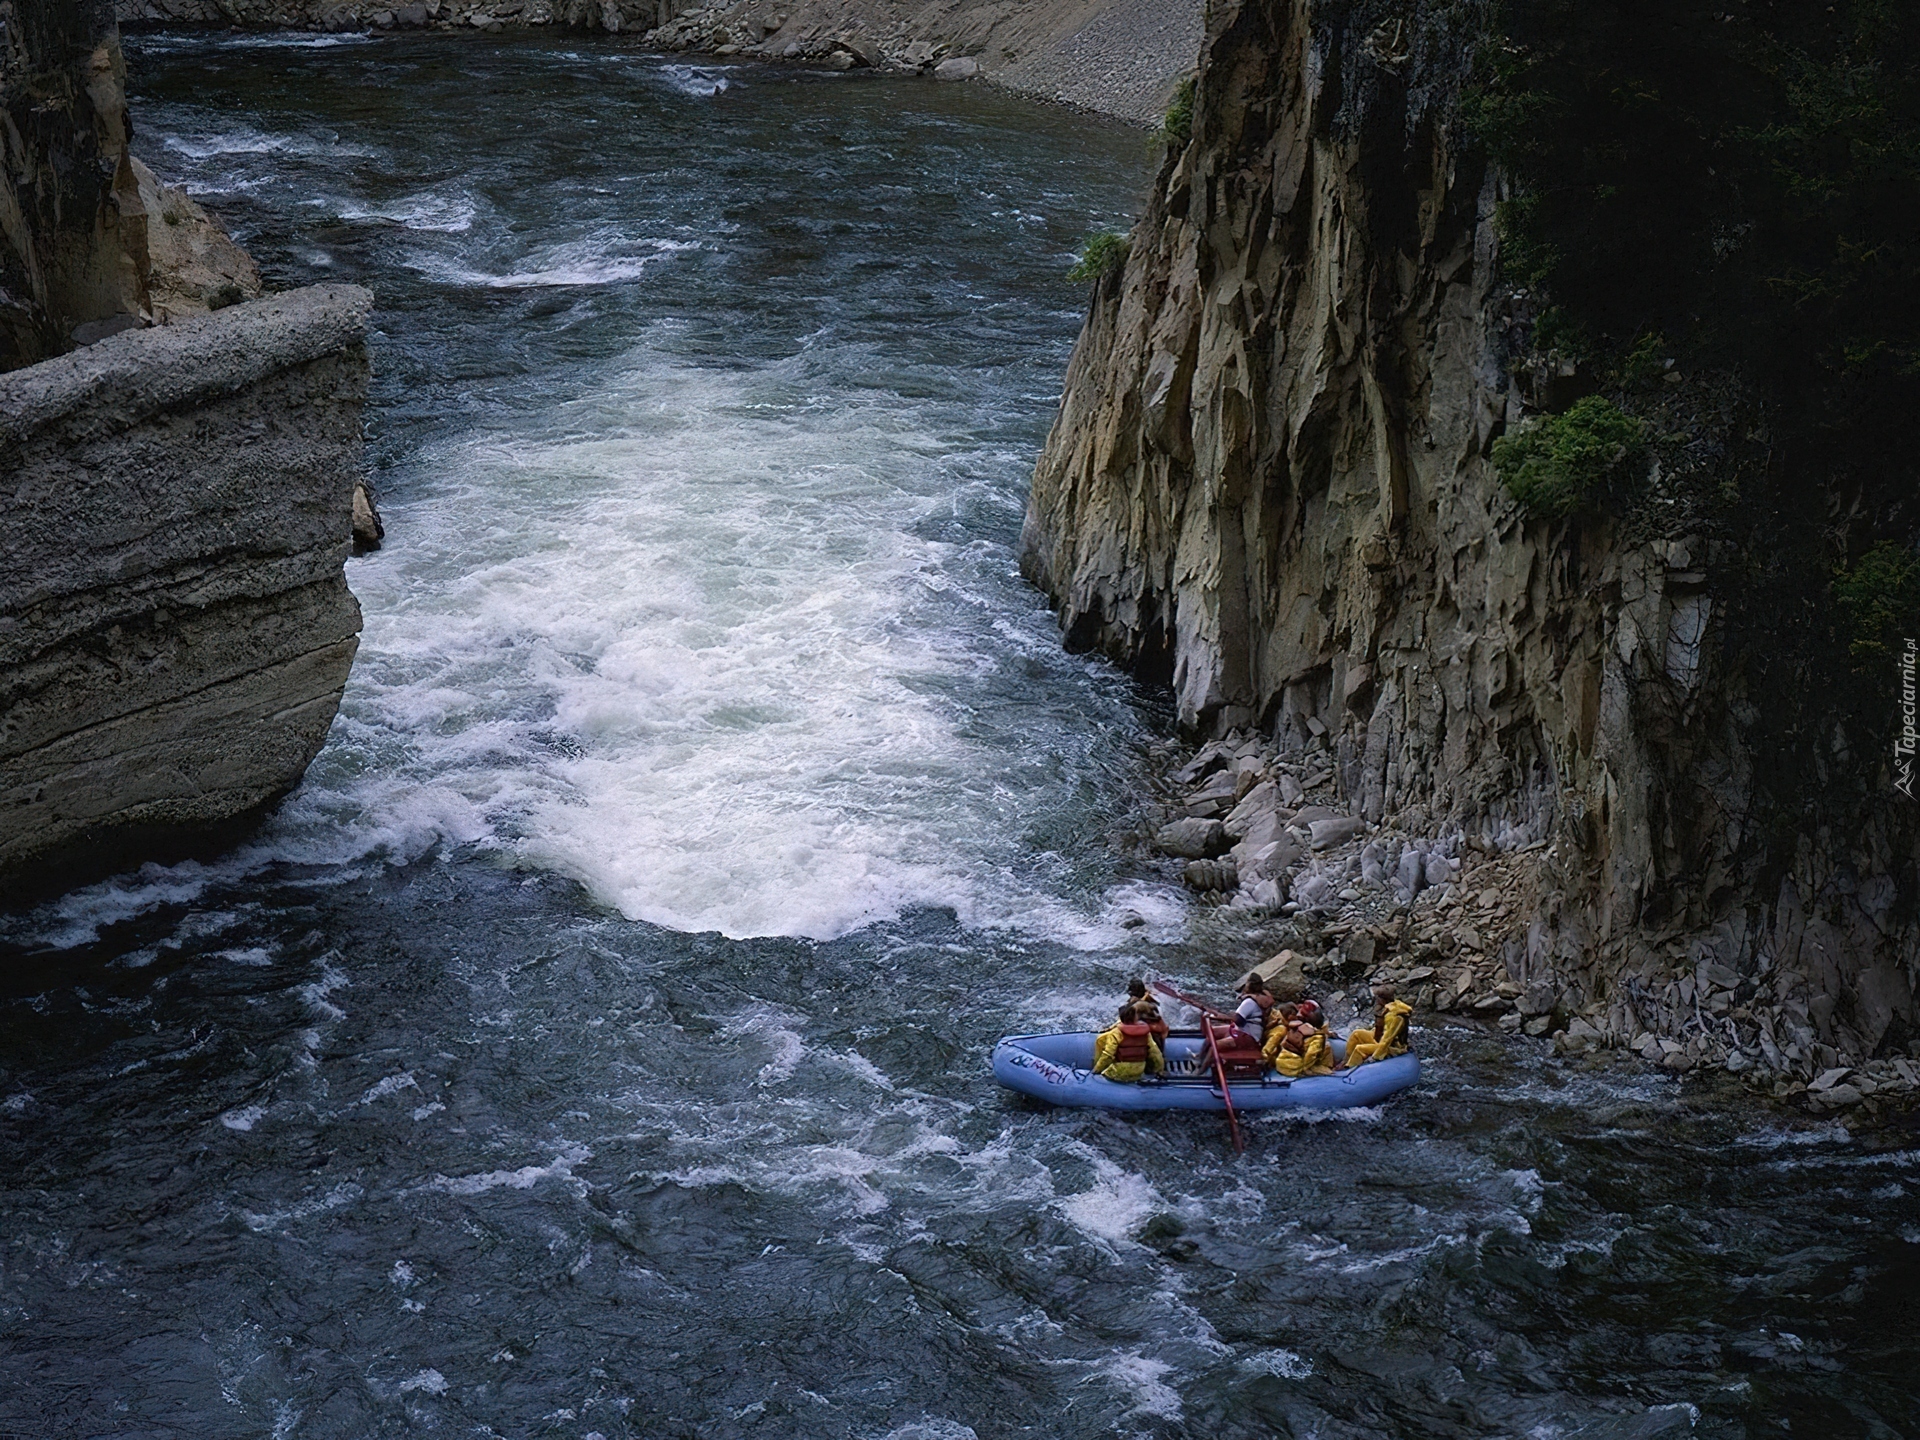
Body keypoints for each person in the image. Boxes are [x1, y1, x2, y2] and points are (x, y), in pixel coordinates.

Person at [1342, 983, 1413, 1067]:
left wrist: (1376, 1056)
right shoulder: (1389, 1007)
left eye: (1377, 998)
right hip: (1380, 1040)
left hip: (1393, 1048)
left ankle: (1349, 1069)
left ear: (1382, 999)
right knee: (1357, 1033)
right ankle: (1345, 1061)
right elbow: (1380, 1030)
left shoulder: (1395, 1017)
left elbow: (1387, 1039)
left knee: (1359, 1049)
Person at [1093, 1003, 1165, 1082]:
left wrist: (1097, 1070)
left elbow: (1108, 1055)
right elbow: (1155, 1053)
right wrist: (1159, 1070)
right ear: (1136, 1017)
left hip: (1118, 1072)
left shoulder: (1116, 1033)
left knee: (1106, 1071)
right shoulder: (1146, 1033)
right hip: (1139, 1071)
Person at [1264, 997, 1333, 1077]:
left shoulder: (1293, 1028)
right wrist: (1306, 1069)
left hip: (1280, 1063)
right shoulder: (1317, 1037)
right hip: (1294, 1067)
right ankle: (1329, 1068)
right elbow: (1311, 1055)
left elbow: (1282, 1044)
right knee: (1326, 1048)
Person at [1232, 972, 1276, 1045]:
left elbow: (1238, 1020)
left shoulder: (1249, 1002)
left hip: (1248, 1036)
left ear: (1248, 985)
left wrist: (1222, 1017)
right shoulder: (1264, 998)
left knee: (1217, 1044)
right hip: (1258, 1035)